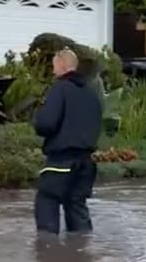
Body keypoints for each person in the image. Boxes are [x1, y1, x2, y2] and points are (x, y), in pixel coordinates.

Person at [33, 48, 103, 235]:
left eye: (54, 66)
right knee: (76, 206)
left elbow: (45, 124)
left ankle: (47, 253)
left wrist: (37, 117)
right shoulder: (91, 94)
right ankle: (81, 254)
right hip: (86, 165)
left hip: (61, 162)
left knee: (47, 200)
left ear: (63, 65)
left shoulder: (60, 88)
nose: (53, 71)